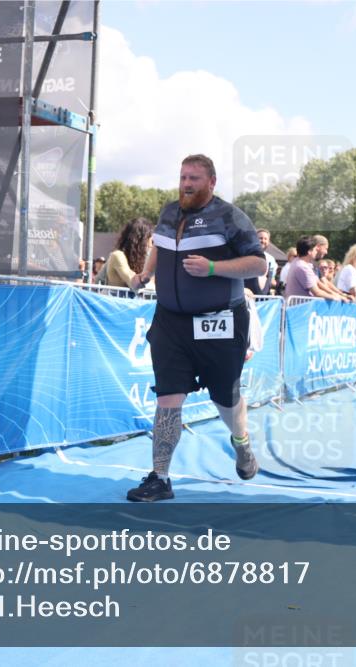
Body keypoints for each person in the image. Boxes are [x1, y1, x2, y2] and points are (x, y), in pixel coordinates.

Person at [125, 154, 267, 502]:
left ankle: (241, 443)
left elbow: (258, 263)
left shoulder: (230, 216)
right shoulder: (169, 212)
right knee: (168, 397)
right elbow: (159, 245)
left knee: (226, 399)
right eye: (183, 177)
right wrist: (144, 274)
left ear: (211, 182)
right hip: (171, 322)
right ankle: (160, 477)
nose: (186, 184)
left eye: (194, 179)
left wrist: (214, 267)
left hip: (220, 322)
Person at [284, 235, 343, 300]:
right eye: (315, 249)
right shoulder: (303, 267)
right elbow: (317, 292)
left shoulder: (299, 262)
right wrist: (337, 297)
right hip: (301, 308)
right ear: (309, 251)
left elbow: (317, 282)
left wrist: (338, 294)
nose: (316, 251)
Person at [106, 217, 153, 289]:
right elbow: (132, 280)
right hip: (116, 299)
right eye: (149, 241)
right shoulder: (117, 255)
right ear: (140, 241)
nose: (150, 245)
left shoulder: (140, 260)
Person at [255, 228, 278, 295]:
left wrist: (278, 285)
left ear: (268, 241)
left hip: (263, 297)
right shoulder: (247, 255)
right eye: (260, 238)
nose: (263, 241)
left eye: (265, 239)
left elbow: (271, 280)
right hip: (248, 296)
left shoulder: (271, 259)